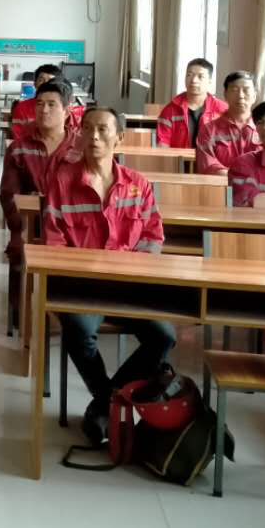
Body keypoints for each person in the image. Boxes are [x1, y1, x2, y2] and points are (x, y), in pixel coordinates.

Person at [43, 105, 174, 446]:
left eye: (103, 129)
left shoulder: (138, 185)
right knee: (78, 331)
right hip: (82, 286)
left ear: (120, 137)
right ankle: (110, 402)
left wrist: (131, 272)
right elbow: (54, 242)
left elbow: (153, 236)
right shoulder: (62, 182)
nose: (94, 136)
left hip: (130, 286)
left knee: (163, 336)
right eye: (87, 129)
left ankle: (105, 403)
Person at [0, 79, 79, 299]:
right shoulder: (19, 148)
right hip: (30, 224)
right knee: (19, 249)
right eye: (40, 104)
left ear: (67, 110)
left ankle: (61, 306)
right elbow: (8, 195)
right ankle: (19, 307)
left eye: (52, 104)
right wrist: (20, 229)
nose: (44, 110)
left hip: (71, 226)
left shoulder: (80, 149)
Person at [195, 70, 260, 175]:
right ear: (225, 94)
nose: (241, 95)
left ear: (254, 96)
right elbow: (208, 166)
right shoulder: (209, 130)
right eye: (234, 90)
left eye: (246, 90)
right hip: (221, 184)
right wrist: (237, 177)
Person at [155, 57, 226, 149]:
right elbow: (162, 144)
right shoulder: (170, 110)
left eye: (200, 76)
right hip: (178, 158)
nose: (194, 80)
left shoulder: (223, 110)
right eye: (189, 75)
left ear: (210, 81)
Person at [10, 64, 65, 141]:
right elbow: (18, 137)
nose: (46, 84)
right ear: (35, 84)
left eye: (51, 80)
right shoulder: (22, 108)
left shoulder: (64, 109)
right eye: (41, 80)